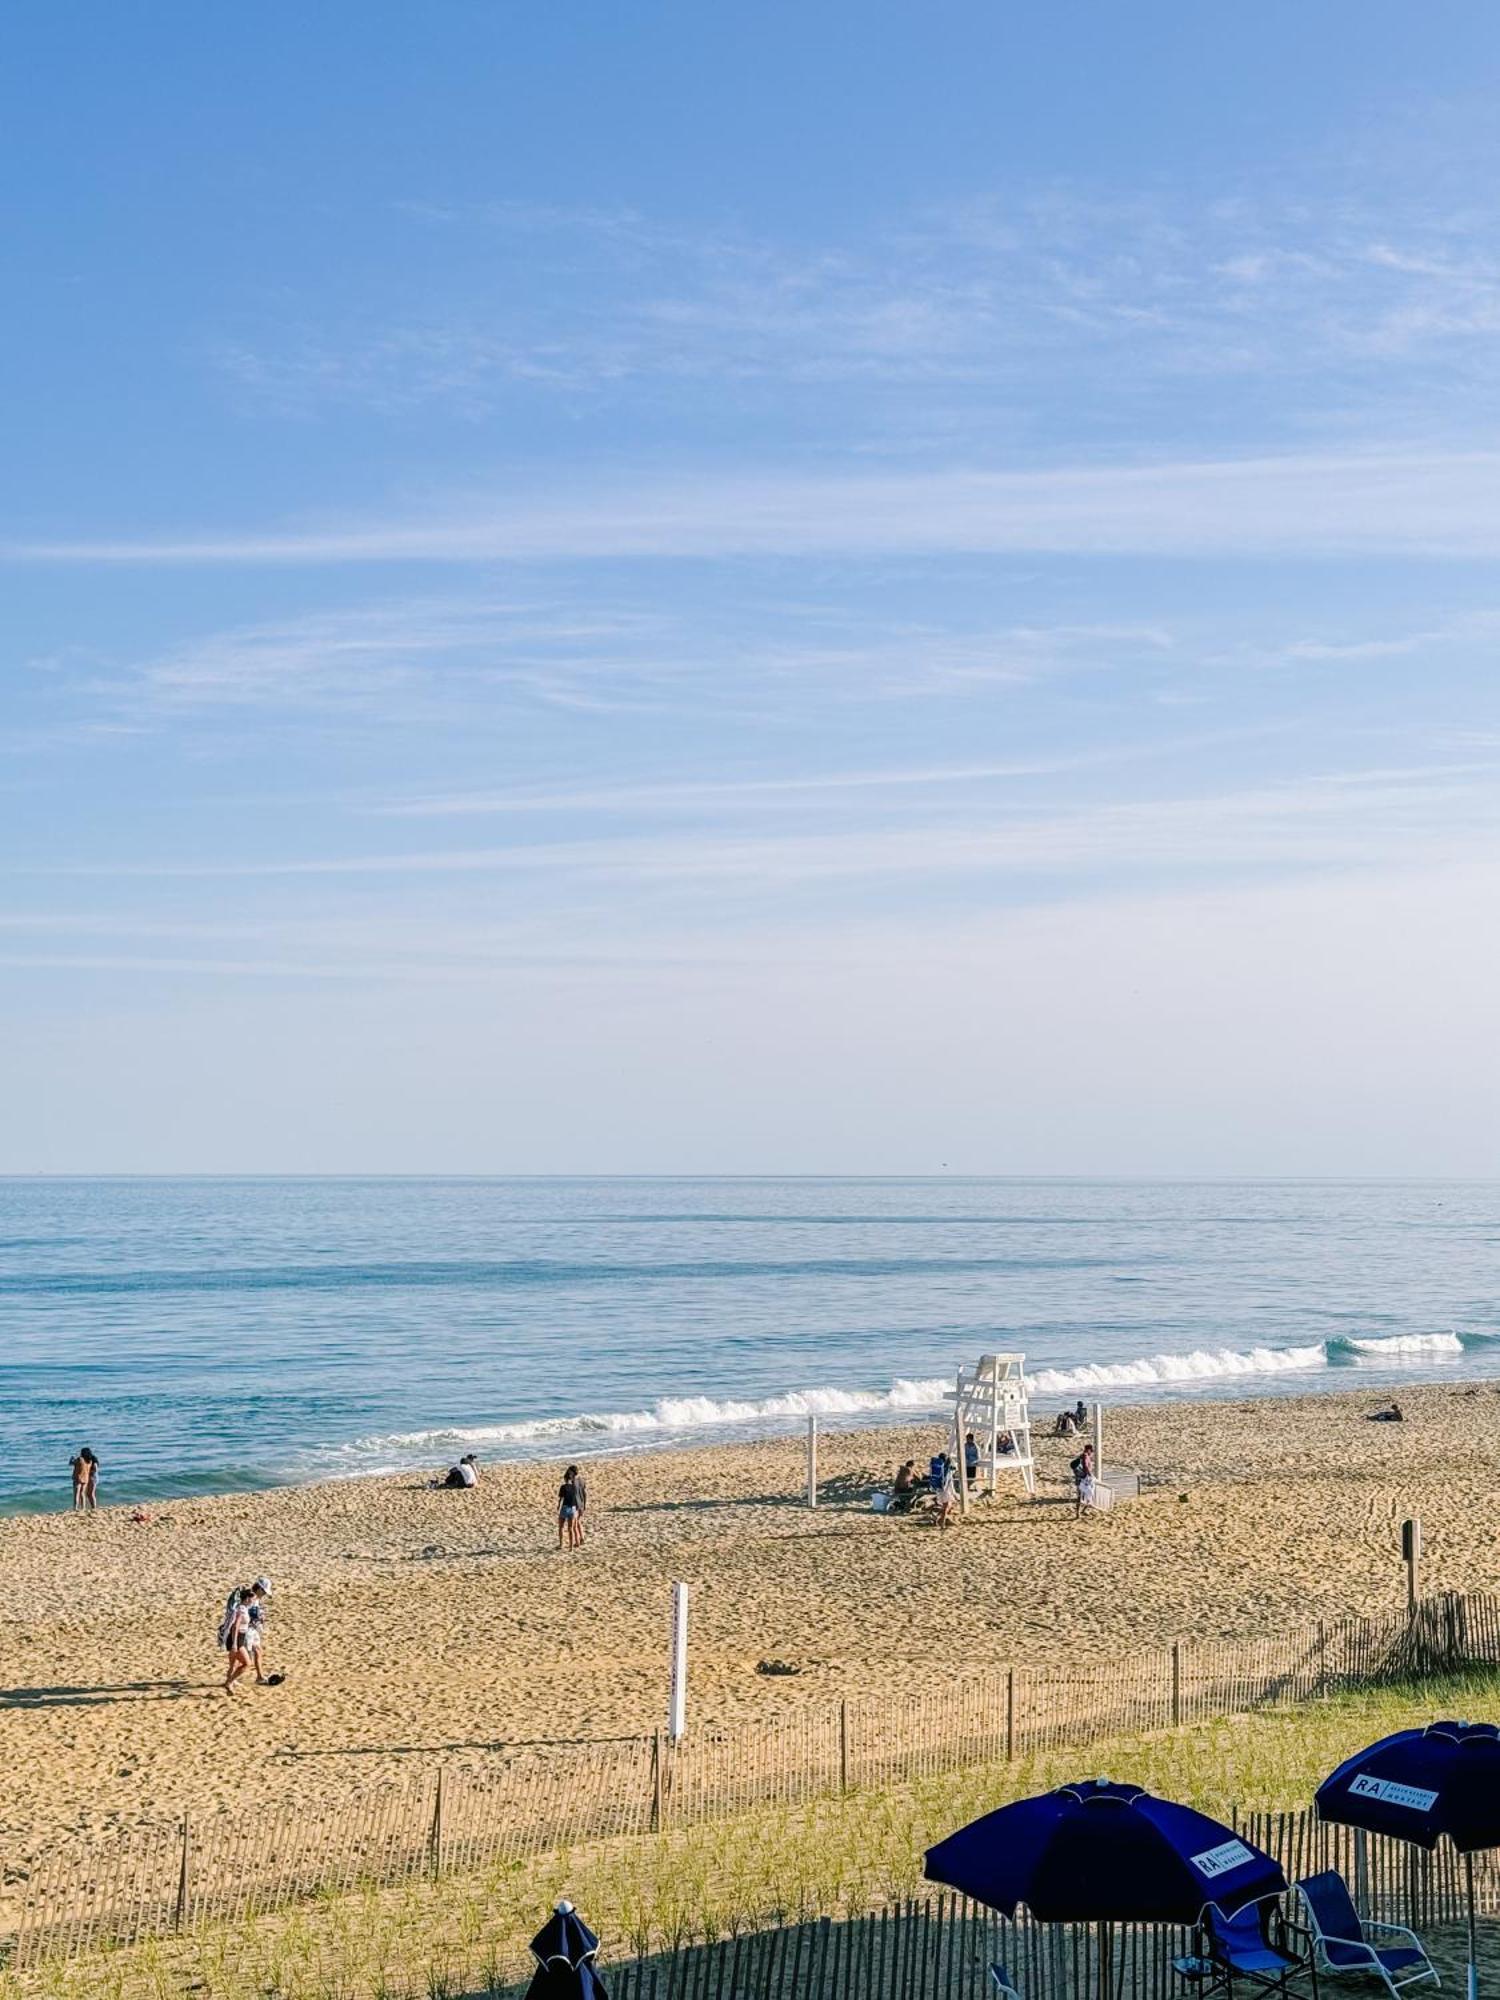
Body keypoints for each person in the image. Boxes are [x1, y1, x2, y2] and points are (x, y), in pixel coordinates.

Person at [221, 1584, 256, 1694]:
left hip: (235, 1638)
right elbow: (235, 1626)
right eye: (252, 1599)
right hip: (236, 1639)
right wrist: (235, 1644)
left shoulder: (242, 1607)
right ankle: (229, 1682)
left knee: (232, 1664)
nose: (254, 1601)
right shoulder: (241, 1609)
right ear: (247, 1599)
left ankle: (230, 1682)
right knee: (247, 1663)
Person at [1070, 1442, 1100, 1519]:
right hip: (1084, 1479)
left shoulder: (1082, 1456)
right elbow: (1086, 1467)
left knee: (1082, 1496)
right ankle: (1080, 1512)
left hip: (1080, 1479)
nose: (1092, 1452)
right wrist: (1090, 1475)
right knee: (1086, 1495)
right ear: (1088, 1450)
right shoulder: (1085, 1456)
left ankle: (1080, 1512)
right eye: (1091, 1451)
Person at [557, 1464, 583, 1550]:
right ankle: (572, 1546)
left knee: (561, 1527)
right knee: (571, 1528)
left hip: (565, 1508)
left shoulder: (563, 1487)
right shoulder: (575, 1486)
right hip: (573, 1508)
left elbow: (561, 1499)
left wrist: (558, 1506)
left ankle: (561, 1544)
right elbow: (578, 1496)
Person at [935, 1456, 959, 1529]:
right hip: (946, 1491)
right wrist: (954, 1494)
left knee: (946, 1506)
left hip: (939, 1490)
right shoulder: (948, 1471)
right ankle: (942, 1523)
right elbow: (950, 1484)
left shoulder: (938, 1468)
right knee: (946, 1507)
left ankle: (938, 1519)